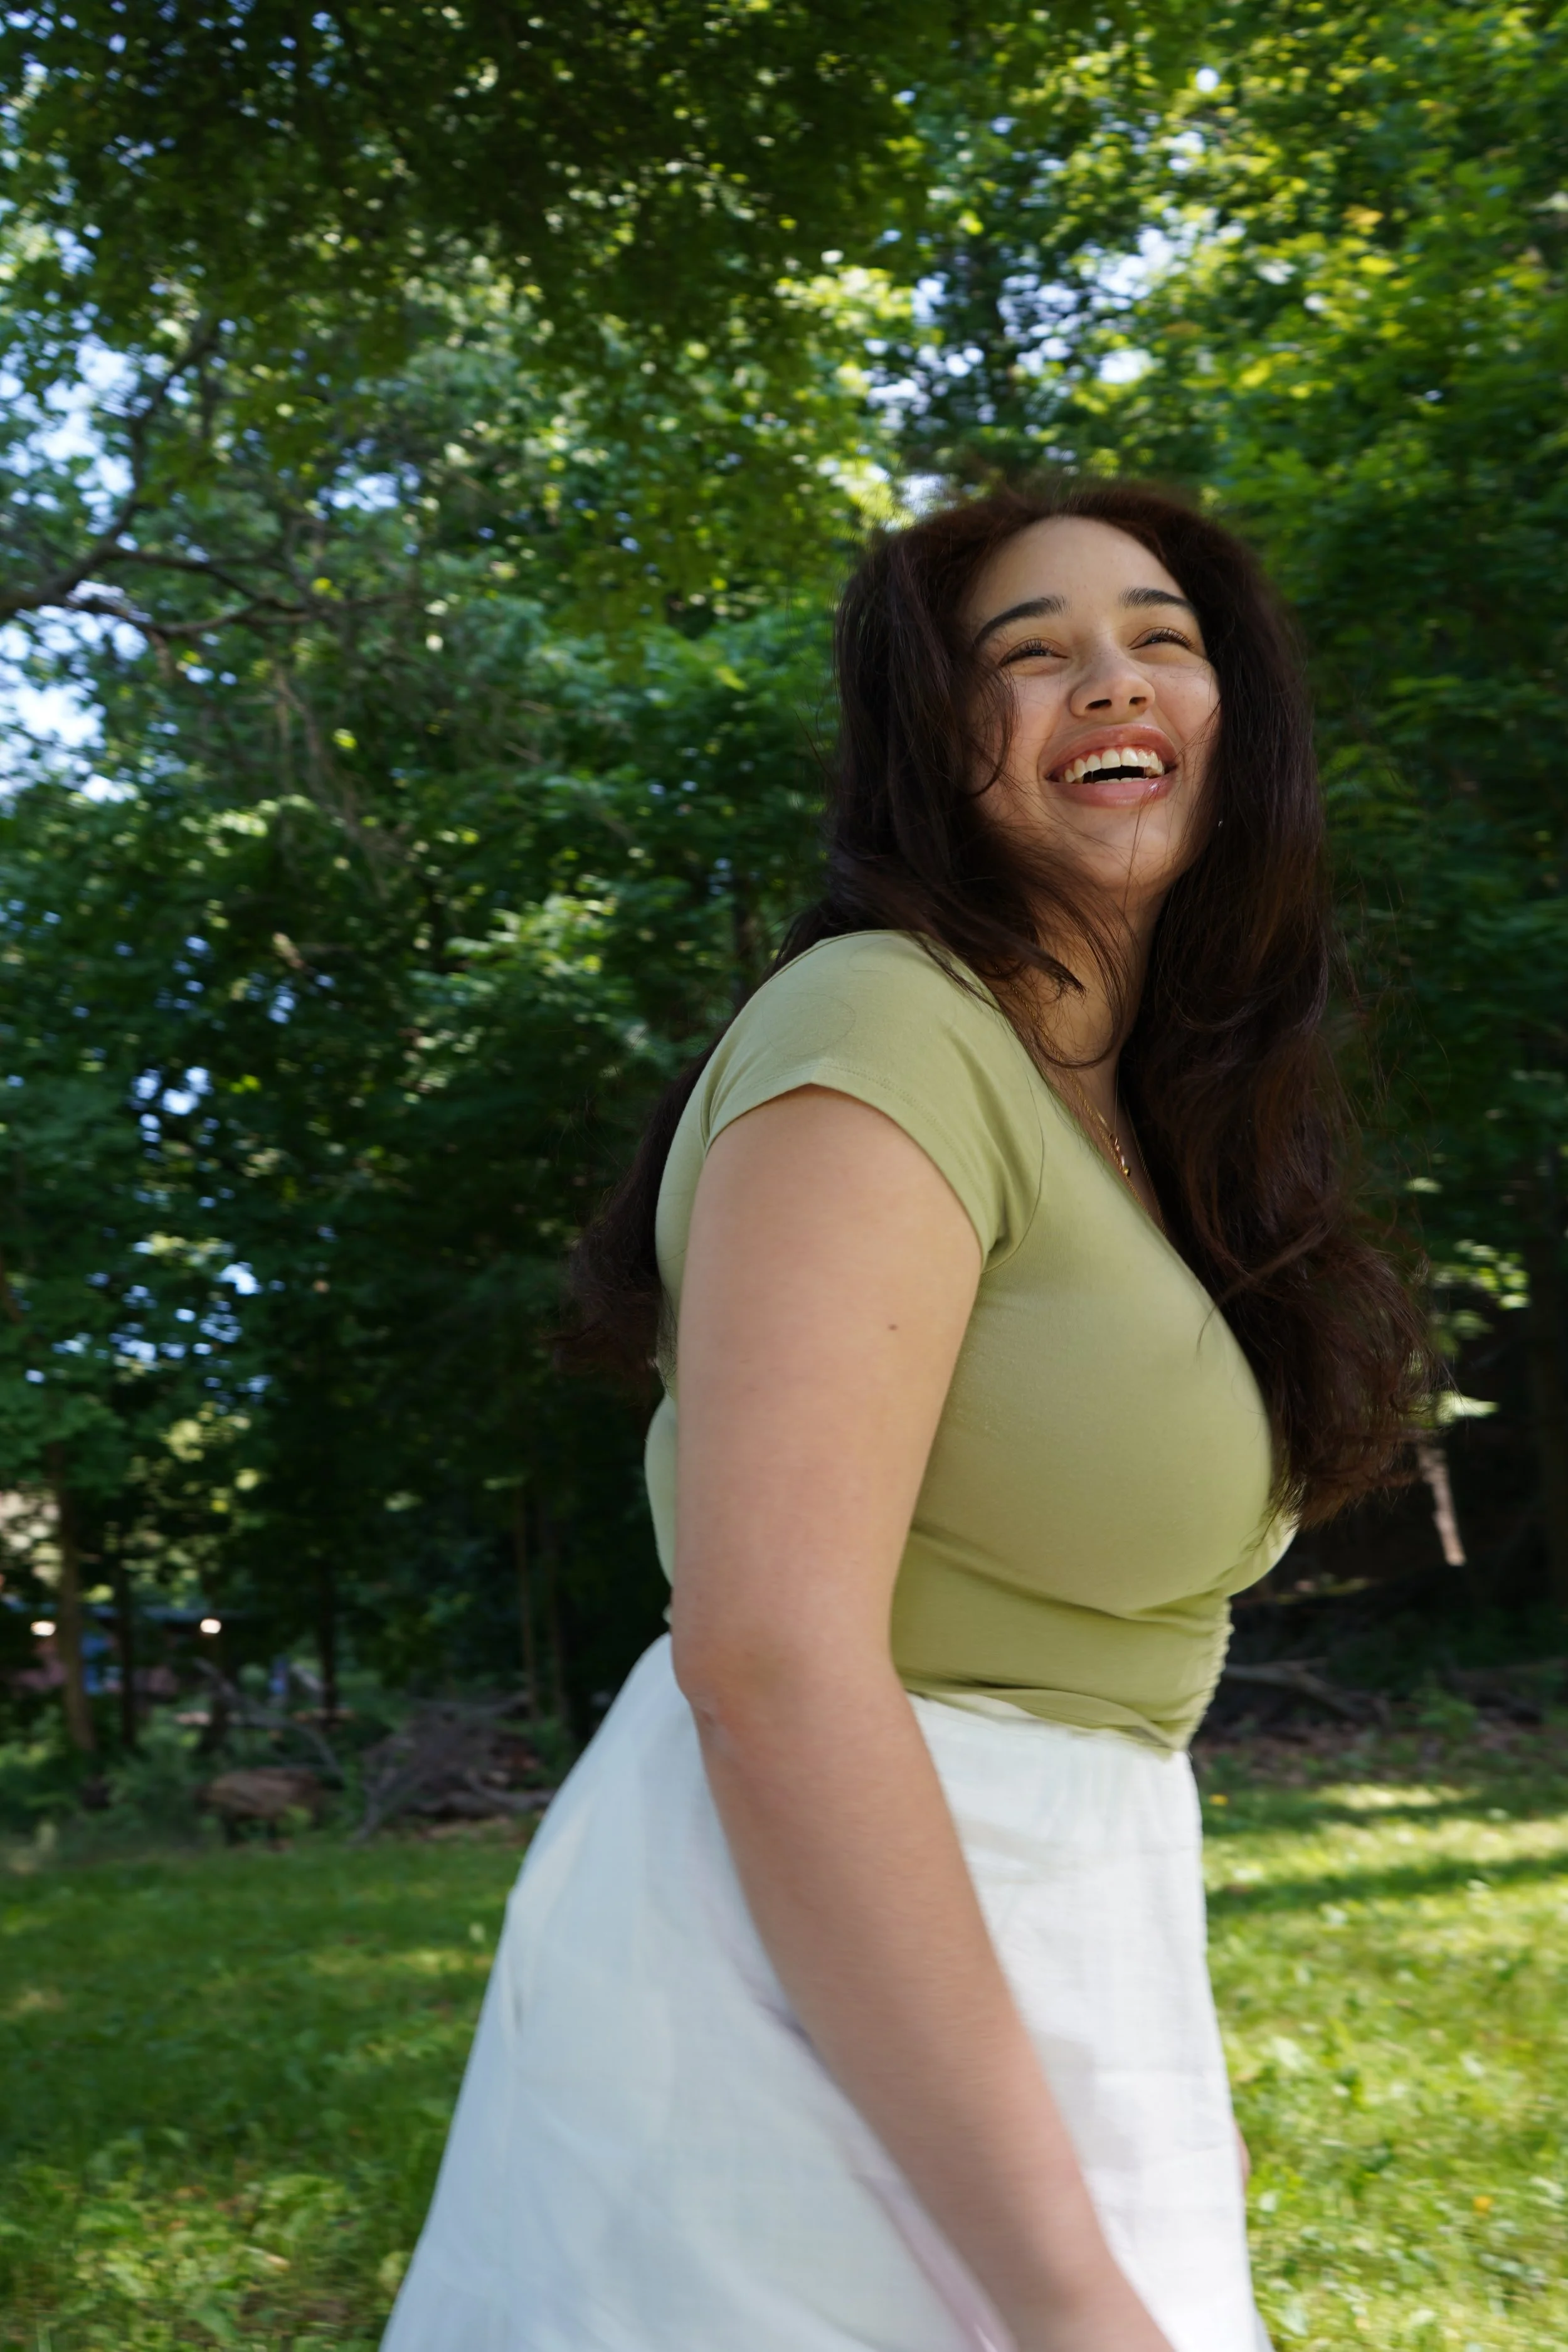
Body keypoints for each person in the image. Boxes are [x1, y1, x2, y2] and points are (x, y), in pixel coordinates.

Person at [383, 481, 1433, 2352]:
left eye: (1159, 637)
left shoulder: (1147, 1121)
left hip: (1044, 1929)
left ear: (1232, 718)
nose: (1106, 678)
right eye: (1026, 655)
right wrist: (1058, 2292)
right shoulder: (878, 1028)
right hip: (801, 1966)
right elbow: (772, 1660)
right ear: (940, 754)